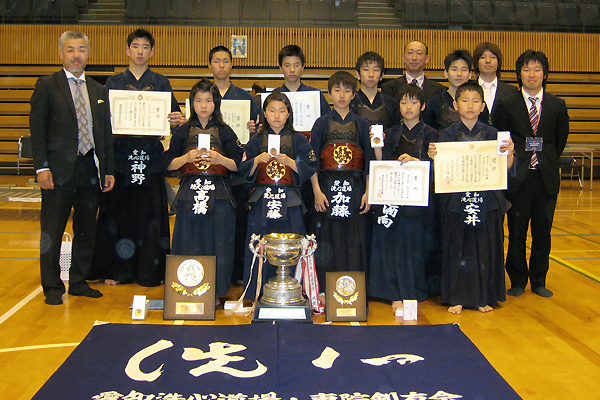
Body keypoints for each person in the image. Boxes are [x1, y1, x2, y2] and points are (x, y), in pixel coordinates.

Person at [89, 29, 182, 287]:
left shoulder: (161, 83)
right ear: (127, 50)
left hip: (150, 160)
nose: (140, 51)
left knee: (151, 218)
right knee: (119, 216)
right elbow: (103, 124)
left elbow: (174, 121)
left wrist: (177, 120)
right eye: (136, 46)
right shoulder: (114, 83)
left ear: (152, 52)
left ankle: (150, 273)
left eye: (145, 47)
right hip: (120, 159)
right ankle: (118, 271)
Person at [30, 30, 115, 305]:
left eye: (81, 49)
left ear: (88, 55)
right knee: (53, 231)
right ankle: (52, 286)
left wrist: (108, 169)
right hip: (57, 170)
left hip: (90, 168)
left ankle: (78, 280)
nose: (76, 55)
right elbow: (37, 129)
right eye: (70, 50)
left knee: (86, 229)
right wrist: (41, 168)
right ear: (60, 53)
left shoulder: (98, 90)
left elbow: (104, 133)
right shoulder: (47, 85)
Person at [429, 81, 515, 314]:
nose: (470, 105)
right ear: (455, 104)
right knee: (457, 247)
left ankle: (482, 297)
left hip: (486, 202)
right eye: (464, 100)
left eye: (475, 101)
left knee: (484, 248)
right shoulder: (445, 135)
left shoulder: (493, 134)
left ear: (483, 106)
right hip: (456, 202)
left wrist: (509, 156)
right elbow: (439, 173)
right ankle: (455, 296)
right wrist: (434, 158)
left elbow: (505, 171)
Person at [493, 50, 570, 298]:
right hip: (517, 178)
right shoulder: (506, 104)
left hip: (545, 177)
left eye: (537, 70)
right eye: (526, 70)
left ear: (545, 74)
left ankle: (538, 280)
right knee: (516, 231)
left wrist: (544, 160)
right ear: (519, 74)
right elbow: (501, 138)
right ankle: (517, 279)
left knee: (542, 232)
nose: (532, 74)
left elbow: (559, 142)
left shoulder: (557, 105)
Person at [164, 78, 244, 299]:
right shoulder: (183, 131)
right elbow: (167, 164)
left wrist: (220, 159)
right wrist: (185, 158)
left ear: (215, 103)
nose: (203, 105)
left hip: (219, 195)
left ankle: (215, 292)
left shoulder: (225, 131)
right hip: (190, 193)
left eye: (208, 100)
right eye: (198, 100)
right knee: (189, 240)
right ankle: (186, 290)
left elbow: (240, 165)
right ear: (191, 103)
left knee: (218, 242)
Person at [238, 92, 317, 300]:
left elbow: (311, 166)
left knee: (292, 243)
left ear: (289, 114)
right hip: (262, 198)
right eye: (272, 110)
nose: (276, 115)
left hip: (289, 199)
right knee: (259, 244)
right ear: (264, 113)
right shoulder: (256, 140)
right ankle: (256, 292)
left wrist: (291, 163)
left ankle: (295, 291)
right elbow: (243, 167)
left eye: (282, 111)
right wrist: (256, 160)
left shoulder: (299, 139)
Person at [369, 84, 437, 312]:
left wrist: (420, 163)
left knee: (413, 247)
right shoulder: (390, 132)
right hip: (392, 197)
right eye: (404, 102)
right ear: (398, 106)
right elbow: (381, 163)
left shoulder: (431, 134)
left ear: (423, 106)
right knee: (390, 245)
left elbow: (438, 168)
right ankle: (391, 291)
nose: (409, 107)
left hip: (417, 200)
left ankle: (411, 291)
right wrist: (377, 146)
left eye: (414, 102)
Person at [310, 71, 373, 288]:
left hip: (355, 187)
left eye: (347, 90)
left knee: (355, 239)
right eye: (337, 90)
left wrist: (368, 191)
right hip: (327, 187)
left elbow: (370, 161)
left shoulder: (362, 124)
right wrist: (317, 191)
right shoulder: (321, 123)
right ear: (329, 94)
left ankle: (354, 290)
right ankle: (326, 290)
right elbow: (312, 161)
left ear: (354, 94)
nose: (342, 95)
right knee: (327, 238)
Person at [208, 45, 261, 286]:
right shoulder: (202, 95)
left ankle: (237, 272)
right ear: (209, 65)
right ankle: (211, 272)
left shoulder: (245, 98)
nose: (221, 65)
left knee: (238, 222)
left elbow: (257, 135)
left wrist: (254, 130)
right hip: (209, 171)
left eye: (225, 61)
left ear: (231, 65)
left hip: (235, 171)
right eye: (216, 61)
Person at [272, 44, 331, 133]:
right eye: (287, 65)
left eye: (296, 65)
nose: (292, 70)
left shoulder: (316, 96)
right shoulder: (273, 96)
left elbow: (328, 123)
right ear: (280, 68)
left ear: (303, 67)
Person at [423, 50, 478, 132]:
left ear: (470, 74)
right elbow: (427, 134)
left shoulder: (477, 102)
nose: (459, 74)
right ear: (446, 73)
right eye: (454, 69)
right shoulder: (434, 103)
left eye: (463, 70)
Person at [381, 40, 446, 102]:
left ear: (427, 59)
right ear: (403, 58)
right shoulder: (389, 88)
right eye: (410, 53)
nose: (414, 58)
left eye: (419, 53)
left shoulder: (439, 90)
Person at [351, 51, 400, 129]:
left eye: (376, 70)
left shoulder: (392, 103)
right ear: (358, 74)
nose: (371, 74)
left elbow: (396, 131)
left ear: (381, 75)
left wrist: (387, 136)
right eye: (366, 69)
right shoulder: (350, 102)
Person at [472, 42, 518, 125]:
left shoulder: (511, 91)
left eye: (492, 57)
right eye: (483, 57)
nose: (488, 61)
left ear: (498, 62)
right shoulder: (469, 89)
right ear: (476, 63)